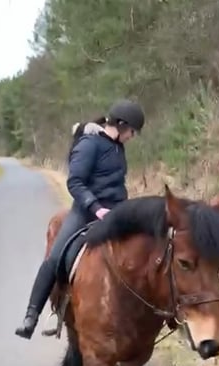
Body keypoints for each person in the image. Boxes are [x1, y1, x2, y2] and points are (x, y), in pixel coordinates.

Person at [15, 99, 145, 339]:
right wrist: (96, 208)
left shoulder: (118, 147)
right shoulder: (89, 145)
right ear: (122, 124)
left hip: (116, 212)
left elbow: (114, 183)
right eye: (133, 132)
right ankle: (32, 315)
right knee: (55, 258)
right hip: (86, 211)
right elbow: (75, 182)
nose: (132, 137)